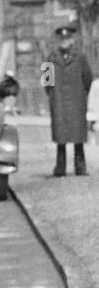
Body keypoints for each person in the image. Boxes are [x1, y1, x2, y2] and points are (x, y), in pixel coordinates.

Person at [45, 24, 93, 177]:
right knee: (61, 136)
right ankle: (60, 167)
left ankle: (80, 167)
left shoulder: (80, 57)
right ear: (59, 40)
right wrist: (53, 96)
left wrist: (81, 94)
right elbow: (46, 82)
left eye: (67, 38)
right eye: (62, 38)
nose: (65, 41)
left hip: (76, 101)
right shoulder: (51, 58)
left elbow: (88, 78)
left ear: (72, 40)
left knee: (77, 136)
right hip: (58, 101)